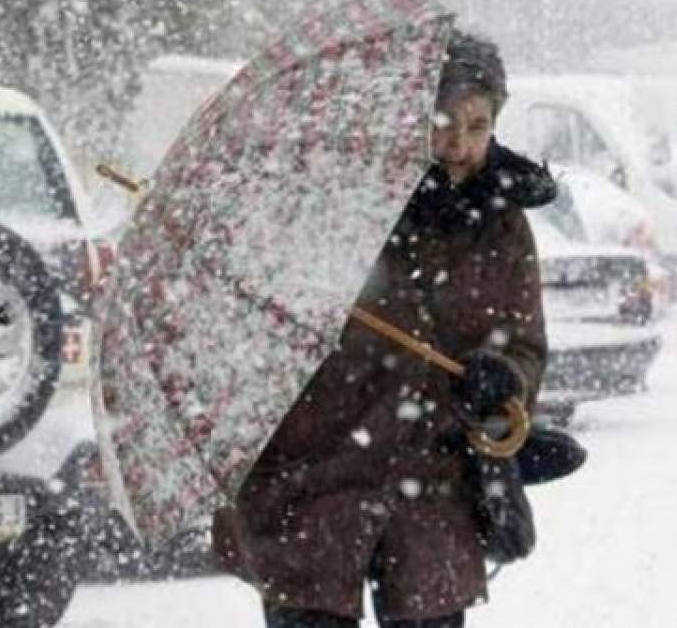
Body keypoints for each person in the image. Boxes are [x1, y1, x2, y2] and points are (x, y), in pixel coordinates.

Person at [221, 31, 556, 627]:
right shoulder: (335, 198)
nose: (459, 144)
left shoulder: (501, 224)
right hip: (317, 476)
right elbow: (268, 320)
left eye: (477, 126)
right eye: (444, 123)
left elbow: (524, 341)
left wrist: (502, 379)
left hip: (434, 486)